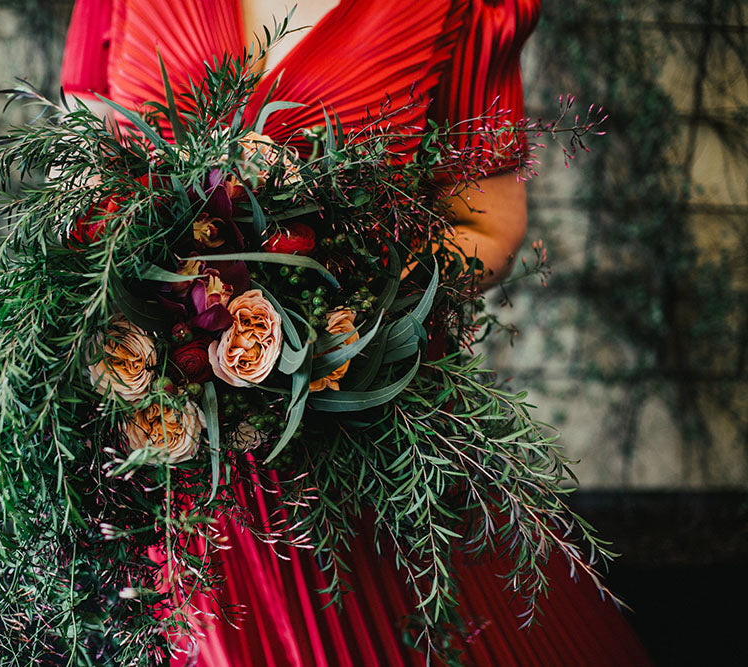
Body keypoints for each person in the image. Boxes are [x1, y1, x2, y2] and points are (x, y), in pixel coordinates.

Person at [60, 2, 653, 664]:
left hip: (360, 451)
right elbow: (80, 180)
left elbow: (488, 227)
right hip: (165, 465)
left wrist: (333, 297)